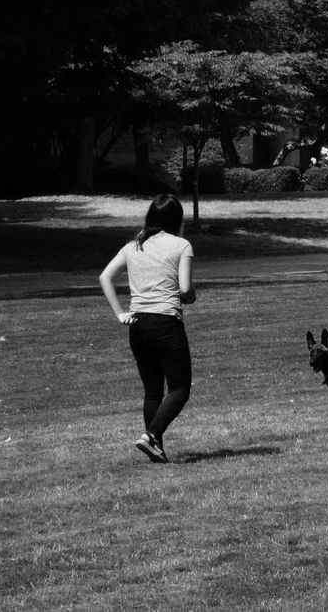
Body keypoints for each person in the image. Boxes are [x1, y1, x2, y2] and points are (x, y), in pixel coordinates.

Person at [98, 193, 197, 463]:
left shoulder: (133, 246)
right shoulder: (181, 245)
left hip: (138, 324)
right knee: (180, 389)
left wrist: (120, 313)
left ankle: (156, 449)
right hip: (166, 322)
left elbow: (105, 276)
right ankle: (151, 435)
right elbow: (185, 289)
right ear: (178, 219)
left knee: (153, 391)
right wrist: (190, 296)